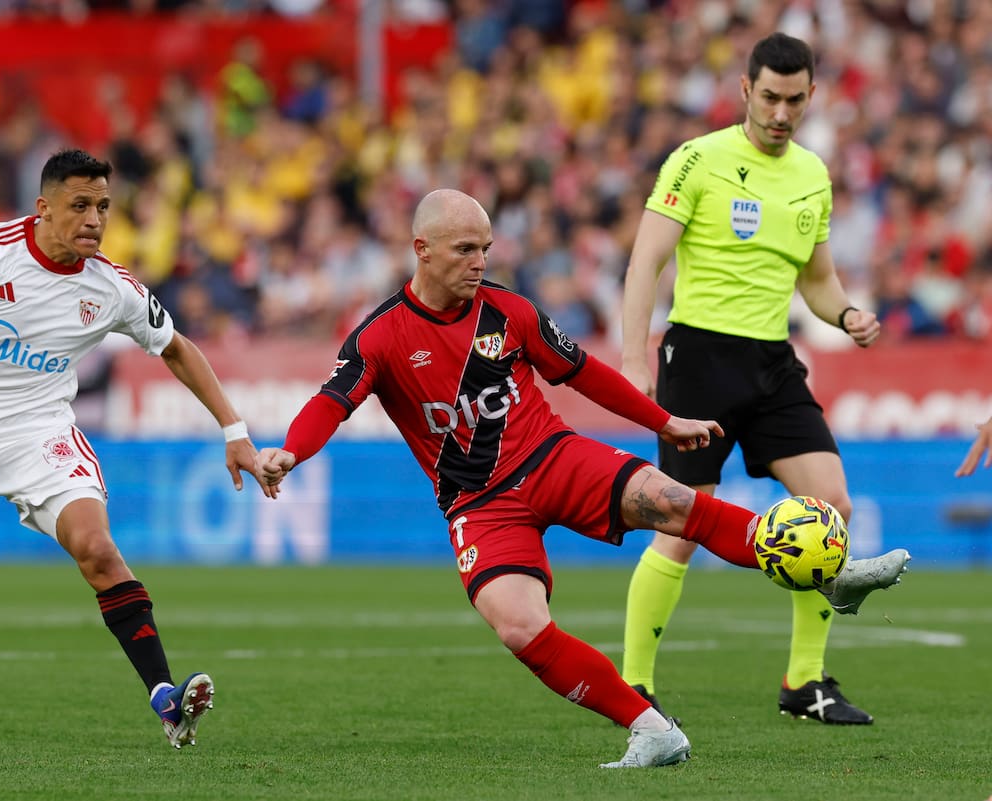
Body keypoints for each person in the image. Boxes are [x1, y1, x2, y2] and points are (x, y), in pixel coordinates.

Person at [255, 188, 908, 767]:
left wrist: (664, 420)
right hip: (479, 504)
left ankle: (832, 574)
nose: (480, 262)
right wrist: (291, 451)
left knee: (675, 501)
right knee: (519, 626)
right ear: (421, 249)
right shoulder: (380, 336)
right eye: (465, 249)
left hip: (553, 458)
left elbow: (584, 373)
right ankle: (652, 730)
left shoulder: (509, 311)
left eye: (485, 248)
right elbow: (330, 402)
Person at [0, 148, 273, 749]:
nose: (94, 219)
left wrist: (234, 431)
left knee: (98, 550)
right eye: (80, 205)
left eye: (104, 207)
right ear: (43, 208)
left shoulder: (111, 286)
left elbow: (176, 347)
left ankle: (166, 700)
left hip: (41, 434)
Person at [618, 32, 910, 727]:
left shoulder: (812, 174)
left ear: (812, 97)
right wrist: (633, 360)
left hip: (772, 362)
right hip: (699, 357)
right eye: (770, 97)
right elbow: (646, 260)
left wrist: (847, 313)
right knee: (681, 523)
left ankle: (804, 683)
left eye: (795, 100)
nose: (781, 113)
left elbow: (817, 279)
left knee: (831, 507)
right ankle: (633, 686)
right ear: (746, 89)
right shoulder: (697, 159)